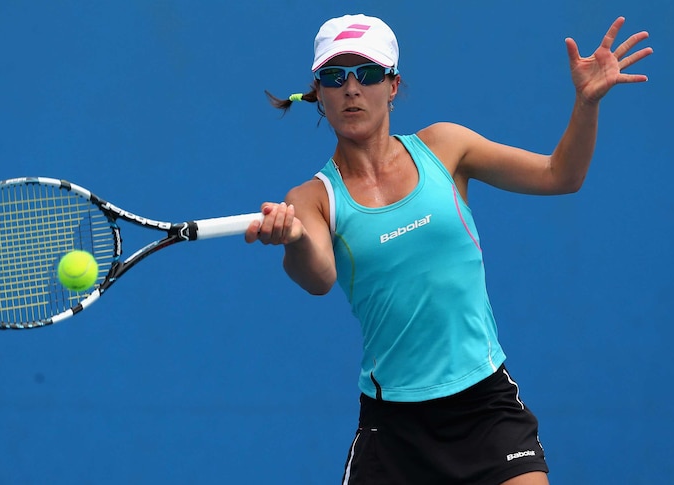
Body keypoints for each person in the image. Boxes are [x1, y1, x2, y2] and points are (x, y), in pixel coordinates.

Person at [246, 13, 651, 485]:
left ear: (393, 85)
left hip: (485, 407)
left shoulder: (446, 147)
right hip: (394, 427)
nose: (352, 88)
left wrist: (586, 104)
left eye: (368, 73)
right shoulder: (312, 199)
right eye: (335, 77)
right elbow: (319, 277)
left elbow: (562, 176)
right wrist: (293, 239)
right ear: (318, 93)